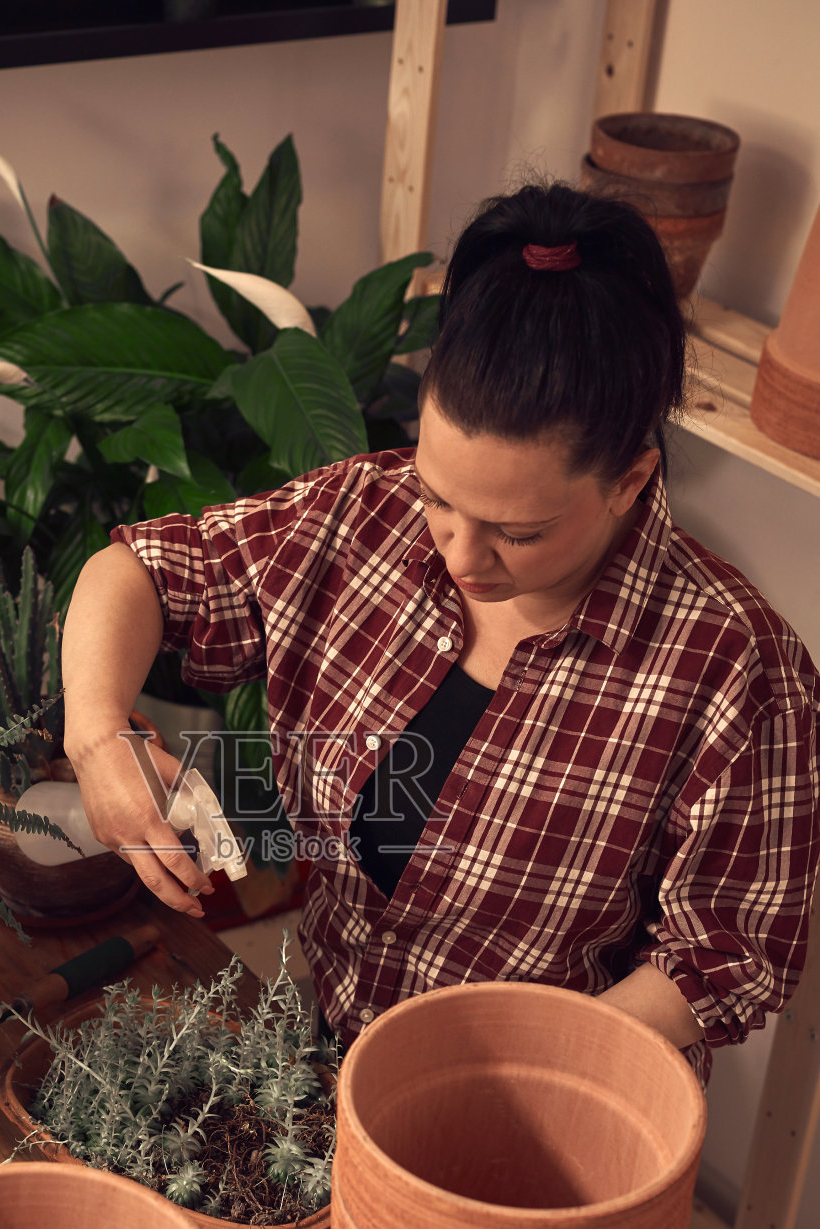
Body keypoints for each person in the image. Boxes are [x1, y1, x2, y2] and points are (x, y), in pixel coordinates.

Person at [62, 181, 820, 1082]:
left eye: (518, 532)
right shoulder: (360, 515)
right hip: (329, 1058)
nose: (461, 554)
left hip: (543, 1106)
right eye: (437, 495)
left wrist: (487, 1067)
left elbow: (724, 958)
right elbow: (142, 570)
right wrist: (96, 737)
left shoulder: (735, 667)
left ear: (628, 479)